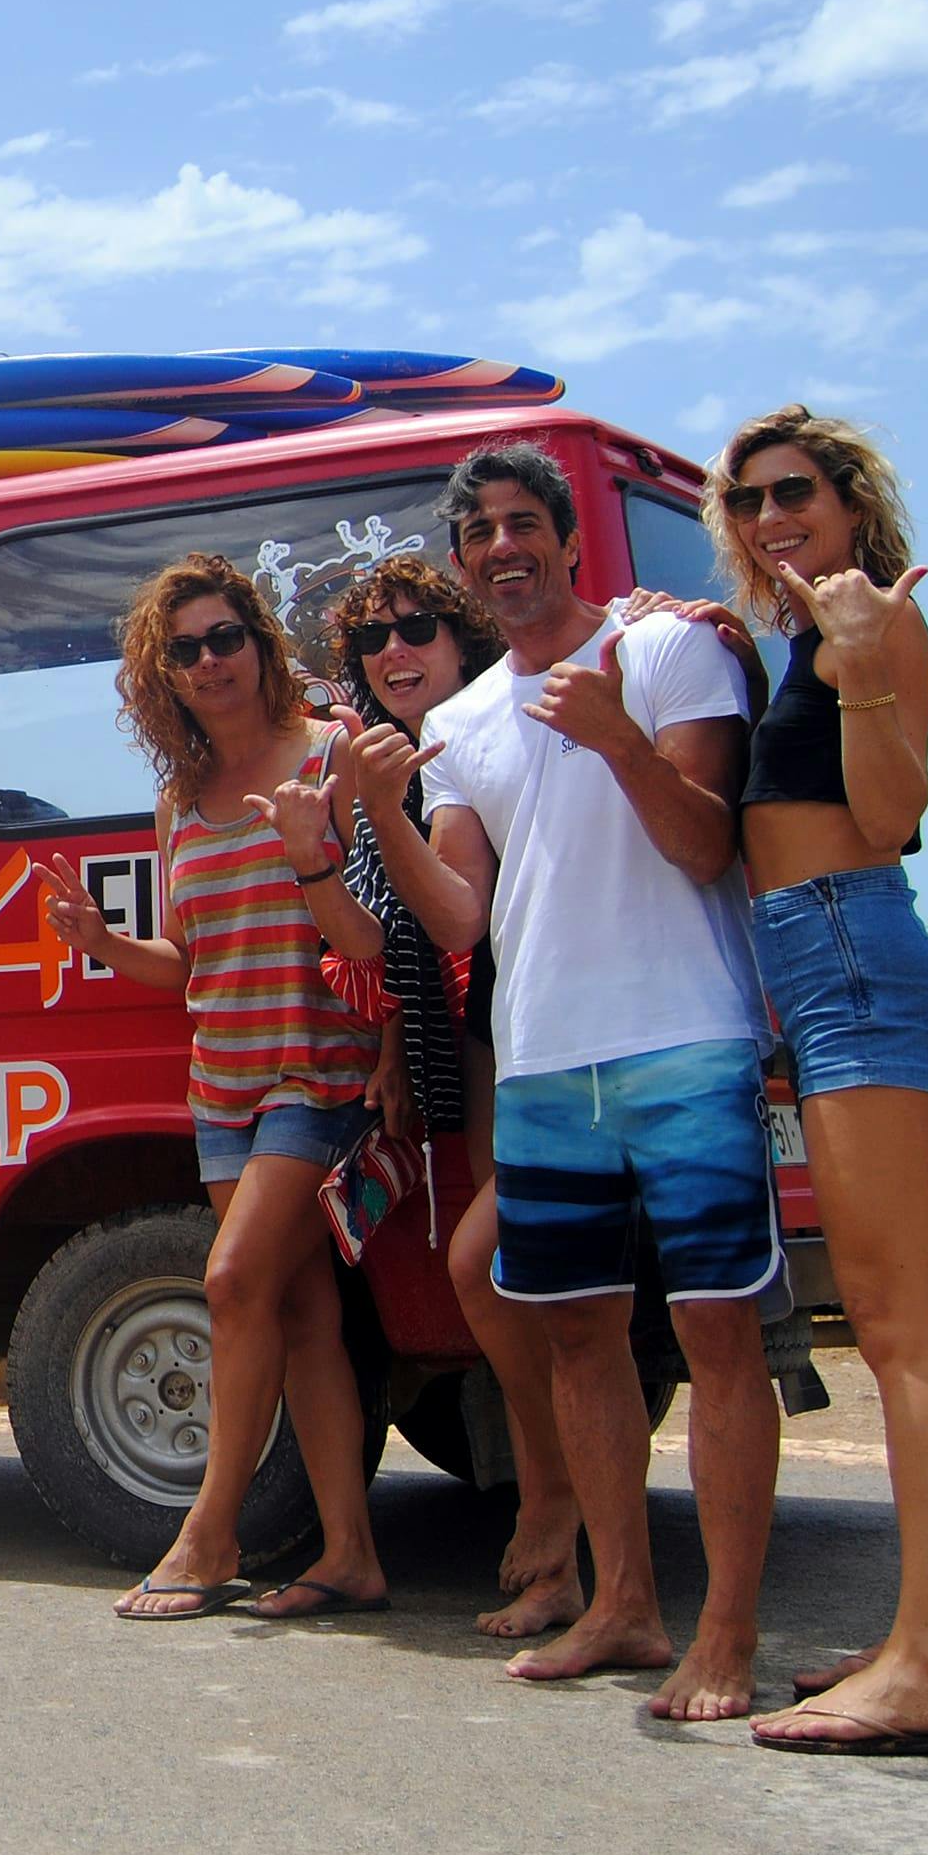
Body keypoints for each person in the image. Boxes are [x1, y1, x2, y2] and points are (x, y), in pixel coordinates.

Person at [367, 442, 780, 1721]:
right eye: (478, 531)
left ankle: (725, 1635)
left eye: (521, 523)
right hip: (544, 1058)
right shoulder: (456, 723)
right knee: (572, 1338)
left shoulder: (666, 655)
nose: (502, 547)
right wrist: (373, 813)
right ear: (458, 563)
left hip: (686, 1037)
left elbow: (706, 841)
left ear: (563, 539)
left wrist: (614, 739)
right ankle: (624, 1609)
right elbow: (455, 919)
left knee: (717, 1336)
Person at [672, 409, 928, 1758]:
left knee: (903, 1322)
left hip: (852, 946)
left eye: (791, 490)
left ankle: (922, 1666)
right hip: (821, 963)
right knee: (911, 1318)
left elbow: (886, 817)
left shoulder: (872, 625)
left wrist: (856, 667)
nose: (764, 515)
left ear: (852, 501)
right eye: (741, 500)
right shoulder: (809, 635)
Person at [43, 556, 389, 1622]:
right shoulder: (177, 803)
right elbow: (186, 964)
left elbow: (377, 941)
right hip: (222, 1087)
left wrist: (312, 856)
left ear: (260, 641)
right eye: (183, 649)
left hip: (314, 1074)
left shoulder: (330, 760)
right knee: (297, 1311)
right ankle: (350, 1555)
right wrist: (101, 943)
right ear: (165, 674)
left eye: (223, 637)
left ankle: (208, 1534)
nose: (208, 661)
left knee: (232, 1286)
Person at [323, 560, 585, 1639]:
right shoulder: (396, 773)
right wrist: (389, 1046)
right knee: (506, 1279)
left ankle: (559, 1511)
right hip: (480, 1052)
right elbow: (397, 933)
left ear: (464, 639)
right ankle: (559, 1520)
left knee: (499, 1269)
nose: (395, 653)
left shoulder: (495, 737)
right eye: (371, 644)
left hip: (561, 1040)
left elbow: (458, 922)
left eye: (418, 628)